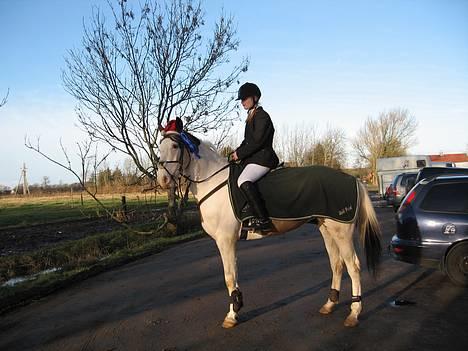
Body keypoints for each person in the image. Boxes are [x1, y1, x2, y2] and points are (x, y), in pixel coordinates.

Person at [231, 82, 279, 232]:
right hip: (254, 158)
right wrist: (236, 152)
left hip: (263, 158)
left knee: (243, 180)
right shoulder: (251, 116)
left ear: (255, 98)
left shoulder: (262, 116)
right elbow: (247, 141)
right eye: (242, 99)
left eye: (245, 99)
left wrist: (240, 154)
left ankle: (263, 220)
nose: (242, 102)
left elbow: (257, 142)